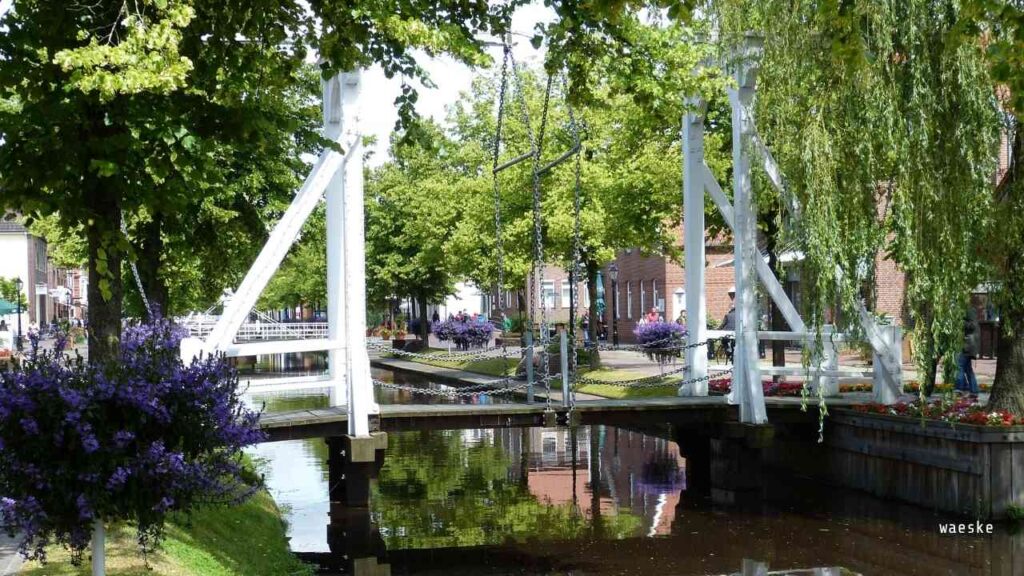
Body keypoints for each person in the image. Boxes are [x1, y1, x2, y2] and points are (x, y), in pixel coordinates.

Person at [956, 308, 980, 397]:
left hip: (966, 347)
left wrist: (958, 322)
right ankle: (973, 390)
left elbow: (969, 326)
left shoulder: (968, 322)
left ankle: (959, 389)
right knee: (968, 369)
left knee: (959, 367)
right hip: (970, 347)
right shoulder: (974, 322)